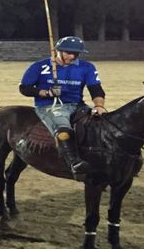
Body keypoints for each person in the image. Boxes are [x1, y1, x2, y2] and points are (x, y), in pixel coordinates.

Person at [19, 36, 106, 179]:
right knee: (63, 130)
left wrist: (99, 106)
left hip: (78, 105)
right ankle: (74, 162)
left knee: (98, 125)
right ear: (57, 50)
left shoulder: (87, 67)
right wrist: (46, 93)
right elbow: (24, 88)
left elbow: (96, 89)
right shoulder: (40, 66)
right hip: (49, 106)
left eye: (76, 54)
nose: (72, 56)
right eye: (68, 52)